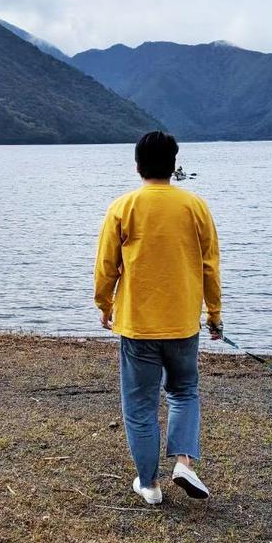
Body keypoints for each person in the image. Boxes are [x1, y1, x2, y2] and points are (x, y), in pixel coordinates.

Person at [94, 131, 222, 505]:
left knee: (140, 406)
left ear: (137, 166)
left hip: (137, 325)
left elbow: (107, 266)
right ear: (174, 166)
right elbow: (210, 266)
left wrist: (104, 304)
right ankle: (184, 461)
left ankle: (149, 485)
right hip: (183, 322)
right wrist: (214, 313)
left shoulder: (123, 207)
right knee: (183, 392)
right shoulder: (195, 206)